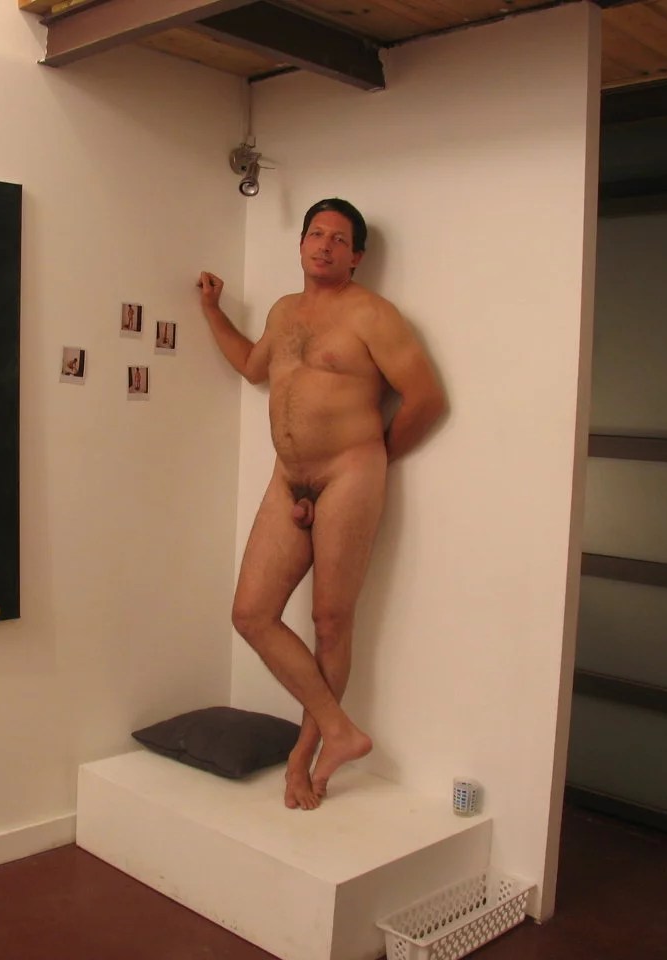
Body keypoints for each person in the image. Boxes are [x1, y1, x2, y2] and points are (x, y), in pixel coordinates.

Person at [197, 198, 445, 809]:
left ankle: (304, 758)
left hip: (348, 475)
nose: (325, 245)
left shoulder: (373, 315)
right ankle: (339, 729)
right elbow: (252, 366)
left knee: (331, 622)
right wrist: (212, 311)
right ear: (302, 243)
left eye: (339, 239)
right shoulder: (284, 312)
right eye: (316, 233)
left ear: (356, 256)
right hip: (288, 477)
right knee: (251, 614)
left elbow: (426, 398)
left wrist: (374, 456)